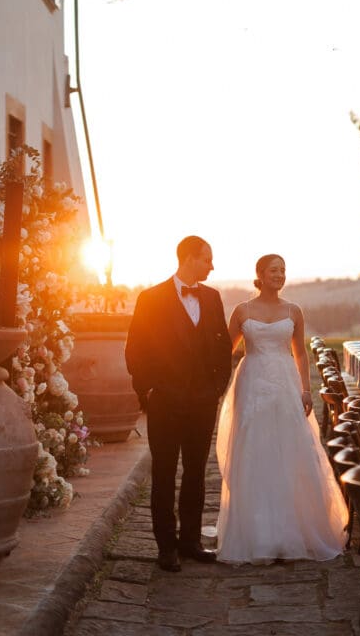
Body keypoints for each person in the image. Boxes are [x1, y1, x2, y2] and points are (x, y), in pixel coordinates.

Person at [216, 253, 348, 563]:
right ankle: (258, 533)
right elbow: (225, 350)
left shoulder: (294, 310)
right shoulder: (242, 310)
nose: (280, 275)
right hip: (251, 385)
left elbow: (300, 354)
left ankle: (294, 530)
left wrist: (305, 389)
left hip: (286, 385)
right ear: (259, 274)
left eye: (283, 270)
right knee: (253, 450)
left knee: (290, 449)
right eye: (274, 270)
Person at [125, 235, 232, 572]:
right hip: (165, 402)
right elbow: (135, 350)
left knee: (197, 474)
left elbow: (223, 347)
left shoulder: (213, 298)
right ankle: (166, 547)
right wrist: (148, 392)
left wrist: (216, 387)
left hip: (202, 401)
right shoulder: (151, 298)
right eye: (206, 259)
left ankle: (191, 541)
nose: (211, 266)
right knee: (164, 474)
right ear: (188, 258)